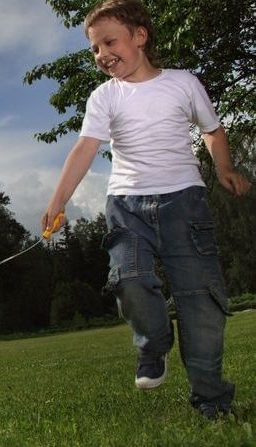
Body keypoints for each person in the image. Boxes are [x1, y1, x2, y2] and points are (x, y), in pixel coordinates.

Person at [42, 0, 251, 420]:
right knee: (130, 281)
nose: (101, 55)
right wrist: (58, 199)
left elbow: (212, 130)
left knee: (201, 304)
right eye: (94, 49)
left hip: (184, 203)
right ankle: (153, 346)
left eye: (108, 42)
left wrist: (224, 165)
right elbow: (85, 148)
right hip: (126, 206)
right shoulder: (104, 97)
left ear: (140, 36)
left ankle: (211, 401)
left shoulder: (183, 83)